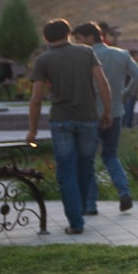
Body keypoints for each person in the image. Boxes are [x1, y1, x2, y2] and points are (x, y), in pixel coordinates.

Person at [25, 19, 113, 236]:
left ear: (46, 38)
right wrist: (107, 111)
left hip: (61, 121)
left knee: (66, 172)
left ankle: (76, 222)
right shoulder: (85, 53)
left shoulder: (43, 60)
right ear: (68, 33)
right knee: (86, 166)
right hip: (88, 119)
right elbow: (102, 83)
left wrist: (33, 130)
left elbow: (36, 99)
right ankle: (82, 207)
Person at [74, 22, 138, 214]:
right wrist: (124, 96)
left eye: (78, 39)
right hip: (116, 111)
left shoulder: (84, 57)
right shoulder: (121, 54)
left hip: (90, 114)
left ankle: (90, 204)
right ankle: (124, 192)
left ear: (89, 38)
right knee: (110, 154)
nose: (76, 43)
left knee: (87, 159)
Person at [122, 48, 138, 128]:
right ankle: (127, 125)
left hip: (131, 91)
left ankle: (127, 124)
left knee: (129, 108)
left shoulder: (130, 65)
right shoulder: (130, 66)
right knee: (128, 109)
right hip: (129, 91)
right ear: (133, 57)